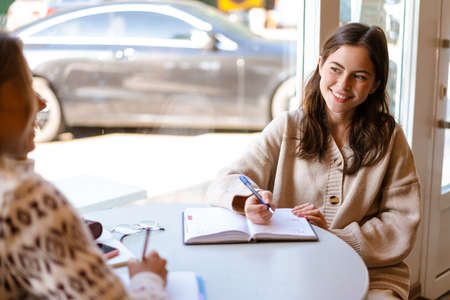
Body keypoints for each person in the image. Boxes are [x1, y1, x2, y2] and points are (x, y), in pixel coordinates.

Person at [206, 23, 420, 300]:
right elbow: (224, 182)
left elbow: (401, 222)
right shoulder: (287, 127)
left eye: (360, 76)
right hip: (293, 264)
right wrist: (247, 200)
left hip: (372, 271)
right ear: (320, 65)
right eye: (335, 69)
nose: (343, 84)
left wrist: (333, 237)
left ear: (375, 84)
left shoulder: (390, 137)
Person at [0, 31, 169, 299]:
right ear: (6, 98)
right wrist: (148, 279)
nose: (41, 103)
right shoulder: (24, 198)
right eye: (26, 84)